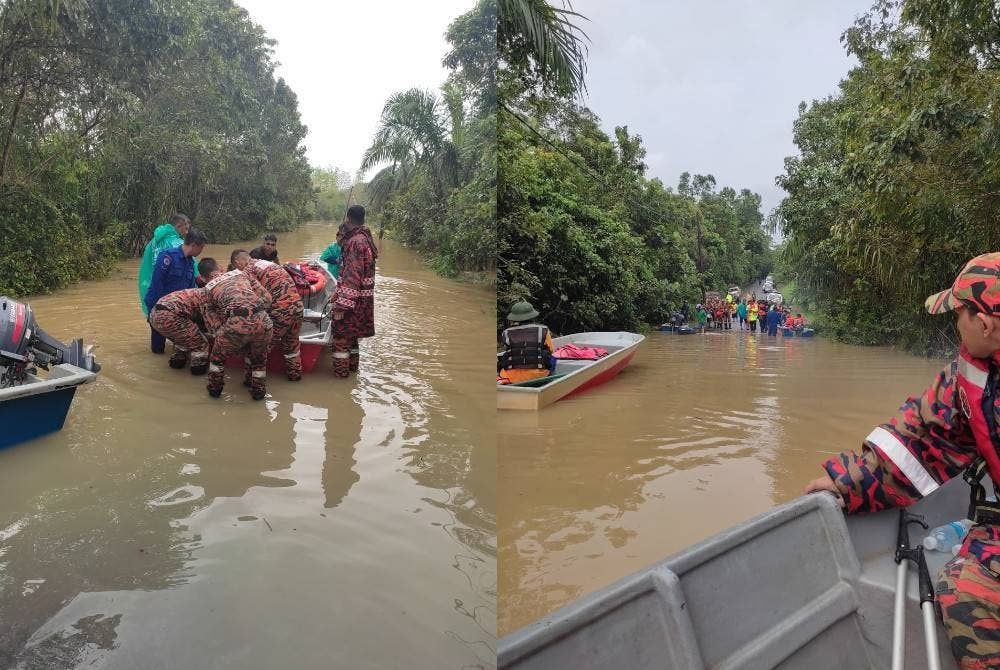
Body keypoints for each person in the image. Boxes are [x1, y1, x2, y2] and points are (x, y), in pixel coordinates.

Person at [805, 252, 1000, 668]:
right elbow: (921, 440)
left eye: (959, 314)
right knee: (969, 582)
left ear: (984, 324)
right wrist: (848, 481)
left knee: (969, 596)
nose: (955, 324)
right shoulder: (971, 379)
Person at [198, 258, 273, 400]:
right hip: (264, 322)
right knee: (259, 359)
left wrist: (228, 335)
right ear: (220, 268)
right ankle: (258, 394)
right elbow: (267, 299)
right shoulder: (242, 274)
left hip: (236, 323)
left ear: (202, 277)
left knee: (217, 357)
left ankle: (215, 391)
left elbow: (213, 326)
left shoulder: (206, 291)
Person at [232, 250, 305, 381]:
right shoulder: (265, 263)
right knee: (291, 344)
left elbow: (254, 300)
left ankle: (251, 382)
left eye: (235, 267)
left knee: (257, 347)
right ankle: (295, 376)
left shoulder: (248, 271)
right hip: (298, 307)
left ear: (238, 262)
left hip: (281, 311)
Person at [328, 205, 377, 377]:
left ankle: (341, 378)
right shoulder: (365, 238)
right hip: (362, 301)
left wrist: (341, 306)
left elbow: (352, 277)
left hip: (353, 303)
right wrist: (336, 293)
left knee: (341, 338)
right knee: (353, 337)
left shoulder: (355, 242)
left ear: (348, 219)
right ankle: (352, 372)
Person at [144, 229, 207, 355]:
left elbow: (190, 289)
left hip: (178, 310)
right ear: (194, 245)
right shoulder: (167, 256)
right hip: (160, 307)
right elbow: (157, 283)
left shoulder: (190, 263)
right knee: (158, 349)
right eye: (201, 247)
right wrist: (154, 309)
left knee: (182, 342)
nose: (201, 251)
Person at [148, 288, 221, 374]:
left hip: (154, 315)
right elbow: (214, 328)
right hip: (170, 316)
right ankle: (197, 371)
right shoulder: (208, 300)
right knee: (200, 344)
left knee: (183, 340)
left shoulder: (195, 293)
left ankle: (176, 364)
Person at [138, 213, 190, 320]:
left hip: (152, 290)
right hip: (170, 295)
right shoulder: (179, 244)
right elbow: (192, 267)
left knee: (156, 324)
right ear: (179, 226)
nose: (186, 232)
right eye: (186, 229)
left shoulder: (152, 242)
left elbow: (146, 267)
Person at [497, 300, 556, 384]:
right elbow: (551, 351)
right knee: (552, 359)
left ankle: (503, 381)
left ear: (514, 318)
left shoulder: (506, 333)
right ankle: (548, 381)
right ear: (532, 316)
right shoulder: (543, 330)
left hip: (511, 377)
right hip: (538, 375)